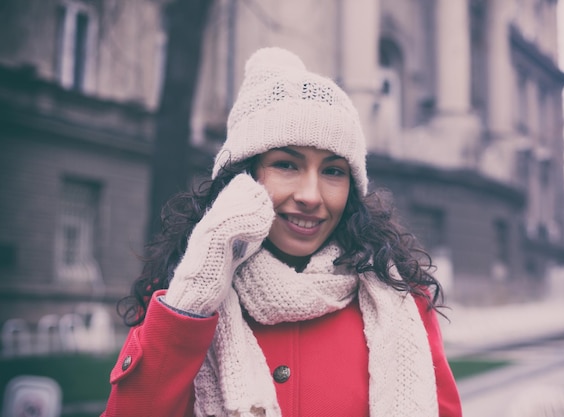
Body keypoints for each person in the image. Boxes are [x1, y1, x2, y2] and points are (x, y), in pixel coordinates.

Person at [101, 47, 462, 417]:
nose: (310, 196)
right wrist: (194, 296)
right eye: (287, 165)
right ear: (243, 177)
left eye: (333, 171)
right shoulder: (178, 297)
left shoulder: (402, 299)